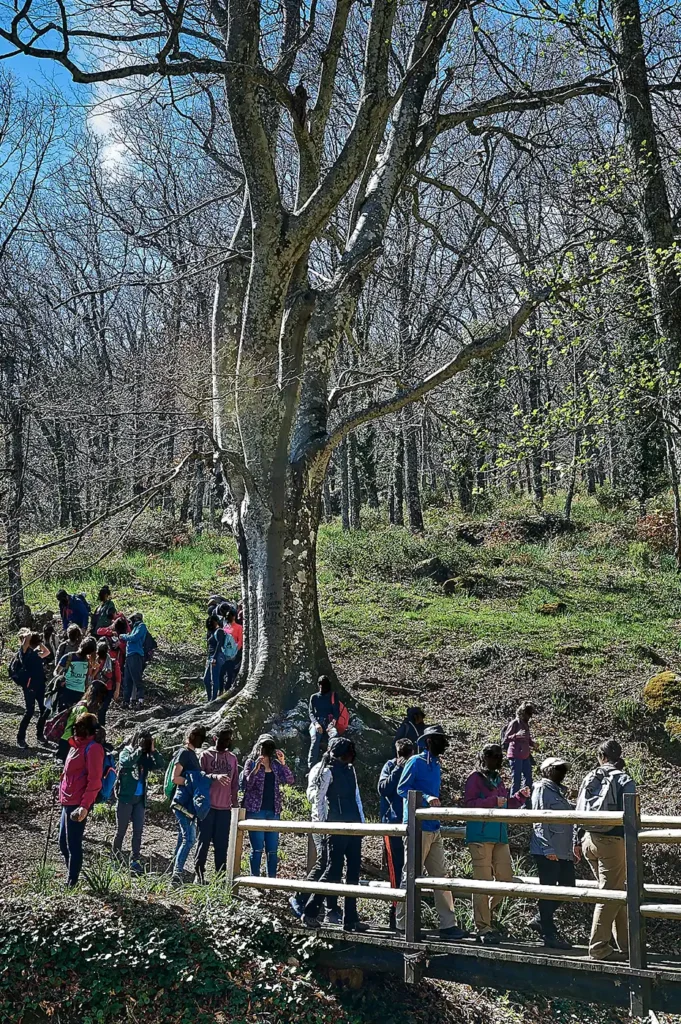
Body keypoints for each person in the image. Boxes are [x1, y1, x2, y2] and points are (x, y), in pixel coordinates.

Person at [395, 725, 468, 942]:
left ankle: (448, 925)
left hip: (433, 827)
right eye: (440, 740)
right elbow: (401, 788)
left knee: (441, 877)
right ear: (428, 742)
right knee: (410, 874)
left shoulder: (436, 765)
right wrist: (426, 798)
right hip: (417, 827)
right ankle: (401, 924)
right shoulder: (415, 762)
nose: (444, 743)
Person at [463, 743, 530, 944]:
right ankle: (483, 927)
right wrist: (493, 802)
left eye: (500, 756)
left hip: (500, 835)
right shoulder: (474, 778)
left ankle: (485, 915)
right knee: (482, 883)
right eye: (493, 756)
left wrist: (519, 797)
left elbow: (506, 803)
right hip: (480, 835)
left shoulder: (498, 779)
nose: (498, 759)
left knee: (506, 880)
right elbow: (468, 804)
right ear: (484, 757)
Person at [576, 739, 636, 961]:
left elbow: (578, 808)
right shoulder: (624, 779)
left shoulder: (590, 777)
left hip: (589, 840)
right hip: (612, 843)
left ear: (601, 757)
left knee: (614, 890)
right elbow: (633, 815)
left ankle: (627, 944)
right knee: (609, 894)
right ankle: (598, 948)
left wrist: (576, 839)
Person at [301, 737, 369, 932]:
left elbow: (356, 797)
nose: (351, 755)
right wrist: (323, 828)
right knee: (333, 869)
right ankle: (311, 911)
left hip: (354, 824)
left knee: (354, 871)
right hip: (335, 826)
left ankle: (351, 919)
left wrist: (363, 824)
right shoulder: (327, 771)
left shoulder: (351, 771)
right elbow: (319, 800)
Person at [529, 757, 578, 949]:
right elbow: (538, 819)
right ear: (548, 770)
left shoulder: (560, 793)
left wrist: (573, 846)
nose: (562, 772)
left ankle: (541, 919)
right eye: (558, 769)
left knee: (568, 887)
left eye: (564, 769)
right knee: (549, 890)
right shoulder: (541, 789)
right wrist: (546, 848)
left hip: (563, 850)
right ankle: (548, 933)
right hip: (547, 850)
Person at [289, 751, 341, 926]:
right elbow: (312, 797)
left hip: (335, 823)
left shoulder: (343, 770)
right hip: (321, 822)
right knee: (324, 862)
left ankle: (330, 908)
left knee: (333, 864)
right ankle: (300, 897)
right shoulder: (319, 770)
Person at [58, 712, 104, 886]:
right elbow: (68, 772)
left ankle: (72, 882)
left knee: (73, 843)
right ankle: (72, 874)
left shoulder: (94, 749)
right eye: (76, 727)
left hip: (79, 802)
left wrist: (85, 806)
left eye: (81, 727)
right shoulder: (74, 746)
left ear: (91, 730)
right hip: (67, 800)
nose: (77, 730)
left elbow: (95, 781)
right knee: (63, 842)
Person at [241, 734, 294, 878]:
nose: (265, 750)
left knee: (272, 849)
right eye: (264, 746)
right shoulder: (250, 763)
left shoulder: (275, 765)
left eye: (268, 747)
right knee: (257, 848)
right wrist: (256, 769)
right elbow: (247, 785)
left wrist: (283, 762)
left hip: (273, 811)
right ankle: (255, 880)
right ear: (258, 747)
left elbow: (289, 780)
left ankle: (272, 880)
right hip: (255, 810)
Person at [113, 729, 165, 874]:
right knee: (121, 831)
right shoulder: (126, 752)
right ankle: (115, 857)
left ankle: (135, 859)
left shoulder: (145, 757)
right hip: (125, 798)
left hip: (140, 800)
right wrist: (139, 749)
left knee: (138, 831)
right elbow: (126, 763)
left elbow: (160, 764)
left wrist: (153, 751)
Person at [378, 737, 414, 930]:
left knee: (411, 870)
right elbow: (383, 789)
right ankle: (395, 914)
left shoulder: (416, 766)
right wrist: (397, 769)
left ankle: (411, 913)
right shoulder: (390, 766)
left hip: (413, 824)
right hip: (393, 825)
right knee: (396, 869)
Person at [195, 728, 239, 882]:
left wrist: (235, 805)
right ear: (215, 738)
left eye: (229, 740)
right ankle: (198, 875)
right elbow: (198, 778)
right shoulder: (205, 756)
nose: (226, 743)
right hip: (207, 806)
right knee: (203, 841)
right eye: (223, 739)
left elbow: (235, 784)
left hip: (224, 808)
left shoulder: (233, 758)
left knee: (222, 844)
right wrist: (215, 776)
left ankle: (220, 878)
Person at [170, 725, 208, 886]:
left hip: (189, 806)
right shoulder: (184, 753)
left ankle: (175, 871)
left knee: (182, 838)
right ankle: (176, 876)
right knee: (189, 839)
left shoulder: (192, 754)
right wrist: (191, 782)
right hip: (182, 804)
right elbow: (175, 777)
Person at [15, 631, 52, 749]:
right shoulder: (24, 653)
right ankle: (20, 738)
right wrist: (28, 635)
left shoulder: (36, 653)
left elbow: (47, 652)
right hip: (30, 687)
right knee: (29, 712)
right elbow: (24, 644)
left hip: (40, 685)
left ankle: (40, 734)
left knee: (44, 710)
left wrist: (39, 642)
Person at [56, 681, 107, 762]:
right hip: (69, 741)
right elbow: (79, 729)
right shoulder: (83, 709)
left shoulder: (82, 704)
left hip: (69, 739)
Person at [502, 702, 537, 797]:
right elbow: (506, 739)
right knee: (516, 780)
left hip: (525, 756)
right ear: (522, 712)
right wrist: (516, 736)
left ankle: (526, 802)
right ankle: (513, 803)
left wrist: (533, 744)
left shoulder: (526, 725)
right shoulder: (515, 723)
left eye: (531, 714)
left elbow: (527, 739)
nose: (530, 716)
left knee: (528, 779)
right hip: (515, 756)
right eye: (528, 714)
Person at [55, 636, 98, 712]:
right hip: (67, 691)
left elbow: (87, 677)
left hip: (79, 693)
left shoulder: (88, 661)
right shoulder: (69, 657)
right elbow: (56, 672)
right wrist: (60, 679)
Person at [308, 675, 340, 768]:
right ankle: (311, 767)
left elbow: (336, 712)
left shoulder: (333, 696)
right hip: (316, 722)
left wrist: (333, 722)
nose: (321, 687)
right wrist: (316, 724)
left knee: (334, 736)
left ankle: (331, 762)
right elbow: (310, 713)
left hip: (329, 722)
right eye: (320, 685)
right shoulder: (314, 697)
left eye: (323, 685)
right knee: (315, 739)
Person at [120, 612, 148, 708]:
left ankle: (140, 700)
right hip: (129, 656)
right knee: (127, 679)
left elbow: (134, 638)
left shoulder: (141, 626)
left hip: (136, 655)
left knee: (137, 678)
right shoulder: (134, 628)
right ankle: (126, 701)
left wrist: (123, 636)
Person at [94, 640, 121, 725]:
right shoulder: (94, 662)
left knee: (102, 710)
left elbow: (118, 678)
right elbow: (91, 676)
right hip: (96, 689)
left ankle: (101, 728)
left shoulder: (113, 663)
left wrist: (117, 690)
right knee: (95, 710)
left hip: (108, 690)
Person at [203, 613, 226, 702]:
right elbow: (208, 646)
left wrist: (215, 657)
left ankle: (214, 699)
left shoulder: (219, 631)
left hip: (217, 656)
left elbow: (219, 645)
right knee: (206, 679)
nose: (210, 622)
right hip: (210, 657)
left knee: (214, 678)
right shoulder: (210, 632)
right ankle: (209, 699)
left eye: (212, 621)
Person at [220, 607, 243, 693]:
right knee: (221, 672)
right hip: (224, 653)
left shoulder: (239, 627)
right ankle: (220, 690)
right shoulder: (225, 627)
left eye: (229, 615)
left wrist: (235, 652)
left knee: (230, 673)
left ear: (234, 617)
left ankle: (228, 689)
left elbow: (240, 641)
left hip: (233, 654)